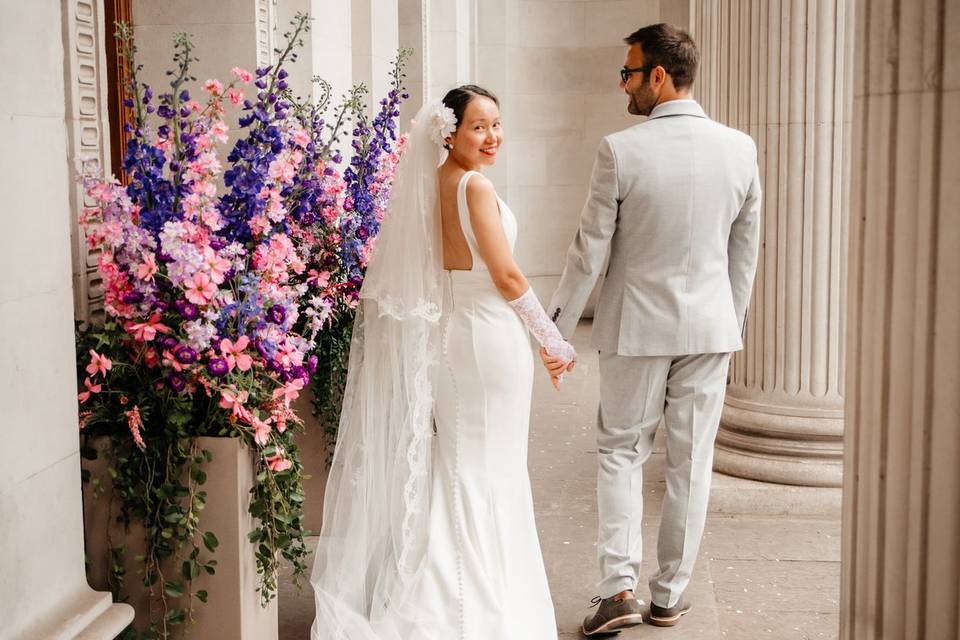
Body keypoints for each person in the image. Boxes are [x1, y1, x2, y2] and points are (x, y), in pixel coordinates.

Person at [310, 85, 574, 640]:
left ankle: (443, 588)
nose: (492, 136)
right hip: (490, 340)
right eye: (480, 126)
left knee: (461, 466)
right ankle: (479, 604)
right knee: (488, 470)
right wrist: (553, 341)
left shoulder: (432, 185)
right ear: (449, 132)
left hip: (455, 340)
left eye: (497, 124)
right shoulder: (475, 186)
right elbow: (506, 276)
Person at [542, 23, 762, 635]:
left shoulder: (621, 149)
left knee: (620, 452)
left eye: (629, 73)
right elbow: (745, 253)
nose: (623, 86)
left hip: (636, 326)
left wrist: (554, 329)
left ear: (658, 76)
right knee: (692, 462)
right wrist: (728, 320)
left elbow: (588, 252)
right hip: (711, 329)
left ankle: (618, 590)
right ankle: (669, 596)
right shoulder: (740, 148)